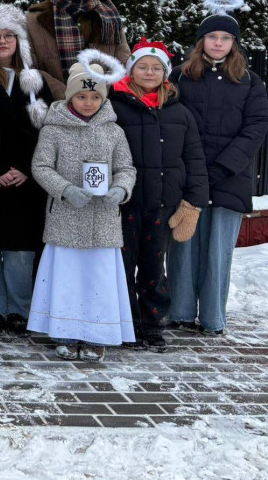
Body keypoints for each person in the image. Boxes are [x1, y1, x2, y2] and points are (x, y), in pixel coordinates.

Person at [28, 54, 137, 361]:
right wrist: (65, 189)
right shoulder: (54, 129)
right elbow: (41, 166)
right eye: (81, 96)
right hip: (66, 217)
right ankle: (63, 329)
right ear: (71, 97)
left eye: (94, 96)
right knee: (67, 277)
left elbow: (126, 168)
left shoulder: (114, 131)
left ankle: (97, 333)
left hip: (102, 220)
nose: (88, 102)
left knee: (98, 278)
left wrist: (120, 188)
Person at [168, 2, 268, 335]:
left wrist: (222, 168)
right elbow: (170, 122)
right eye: (212, 36)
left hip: (230, 178)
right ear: (201, 41)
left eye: (226, 38)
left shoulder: (250, 82)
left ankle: (212, 319)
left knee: (217, 254)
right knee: (183, 246)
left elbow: (255, 128)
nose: (219, 43)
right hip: (188, 177)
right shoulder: (181, 76)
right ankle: (180, 312)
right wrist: (189, 169)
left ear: (234, 44)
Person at [109, 39, 208, 352]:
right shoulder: (114, 105)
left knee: (154, 267)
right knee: (121, 266)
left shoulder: (180, 112)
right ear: (131, 69)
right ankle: (125, 323)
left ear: (165, 73)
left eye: (156, 67)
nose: (149, 72)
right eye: (143, 66)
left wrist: (194, 201)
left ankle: (152, 324)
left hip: (163, 203)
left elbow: (194, 158)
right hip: (124, 204)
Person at [0, 4, 52, 337]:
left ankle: (19, 309)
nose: (2, 42)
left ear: (19, 42)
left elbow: (45, 133)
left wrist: (26, 169)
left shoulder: (35, 83)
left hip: (25, 181)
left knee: (20, 251)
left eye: (8, 36)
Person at [26, 0, 130, 99]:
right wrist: (67, 96)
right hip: (55, 104)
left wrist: (96, 95)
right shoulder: (33, 20)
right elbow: (30, 68)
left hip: (102, 104)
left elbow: (122, 63)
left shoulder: (110, 18)